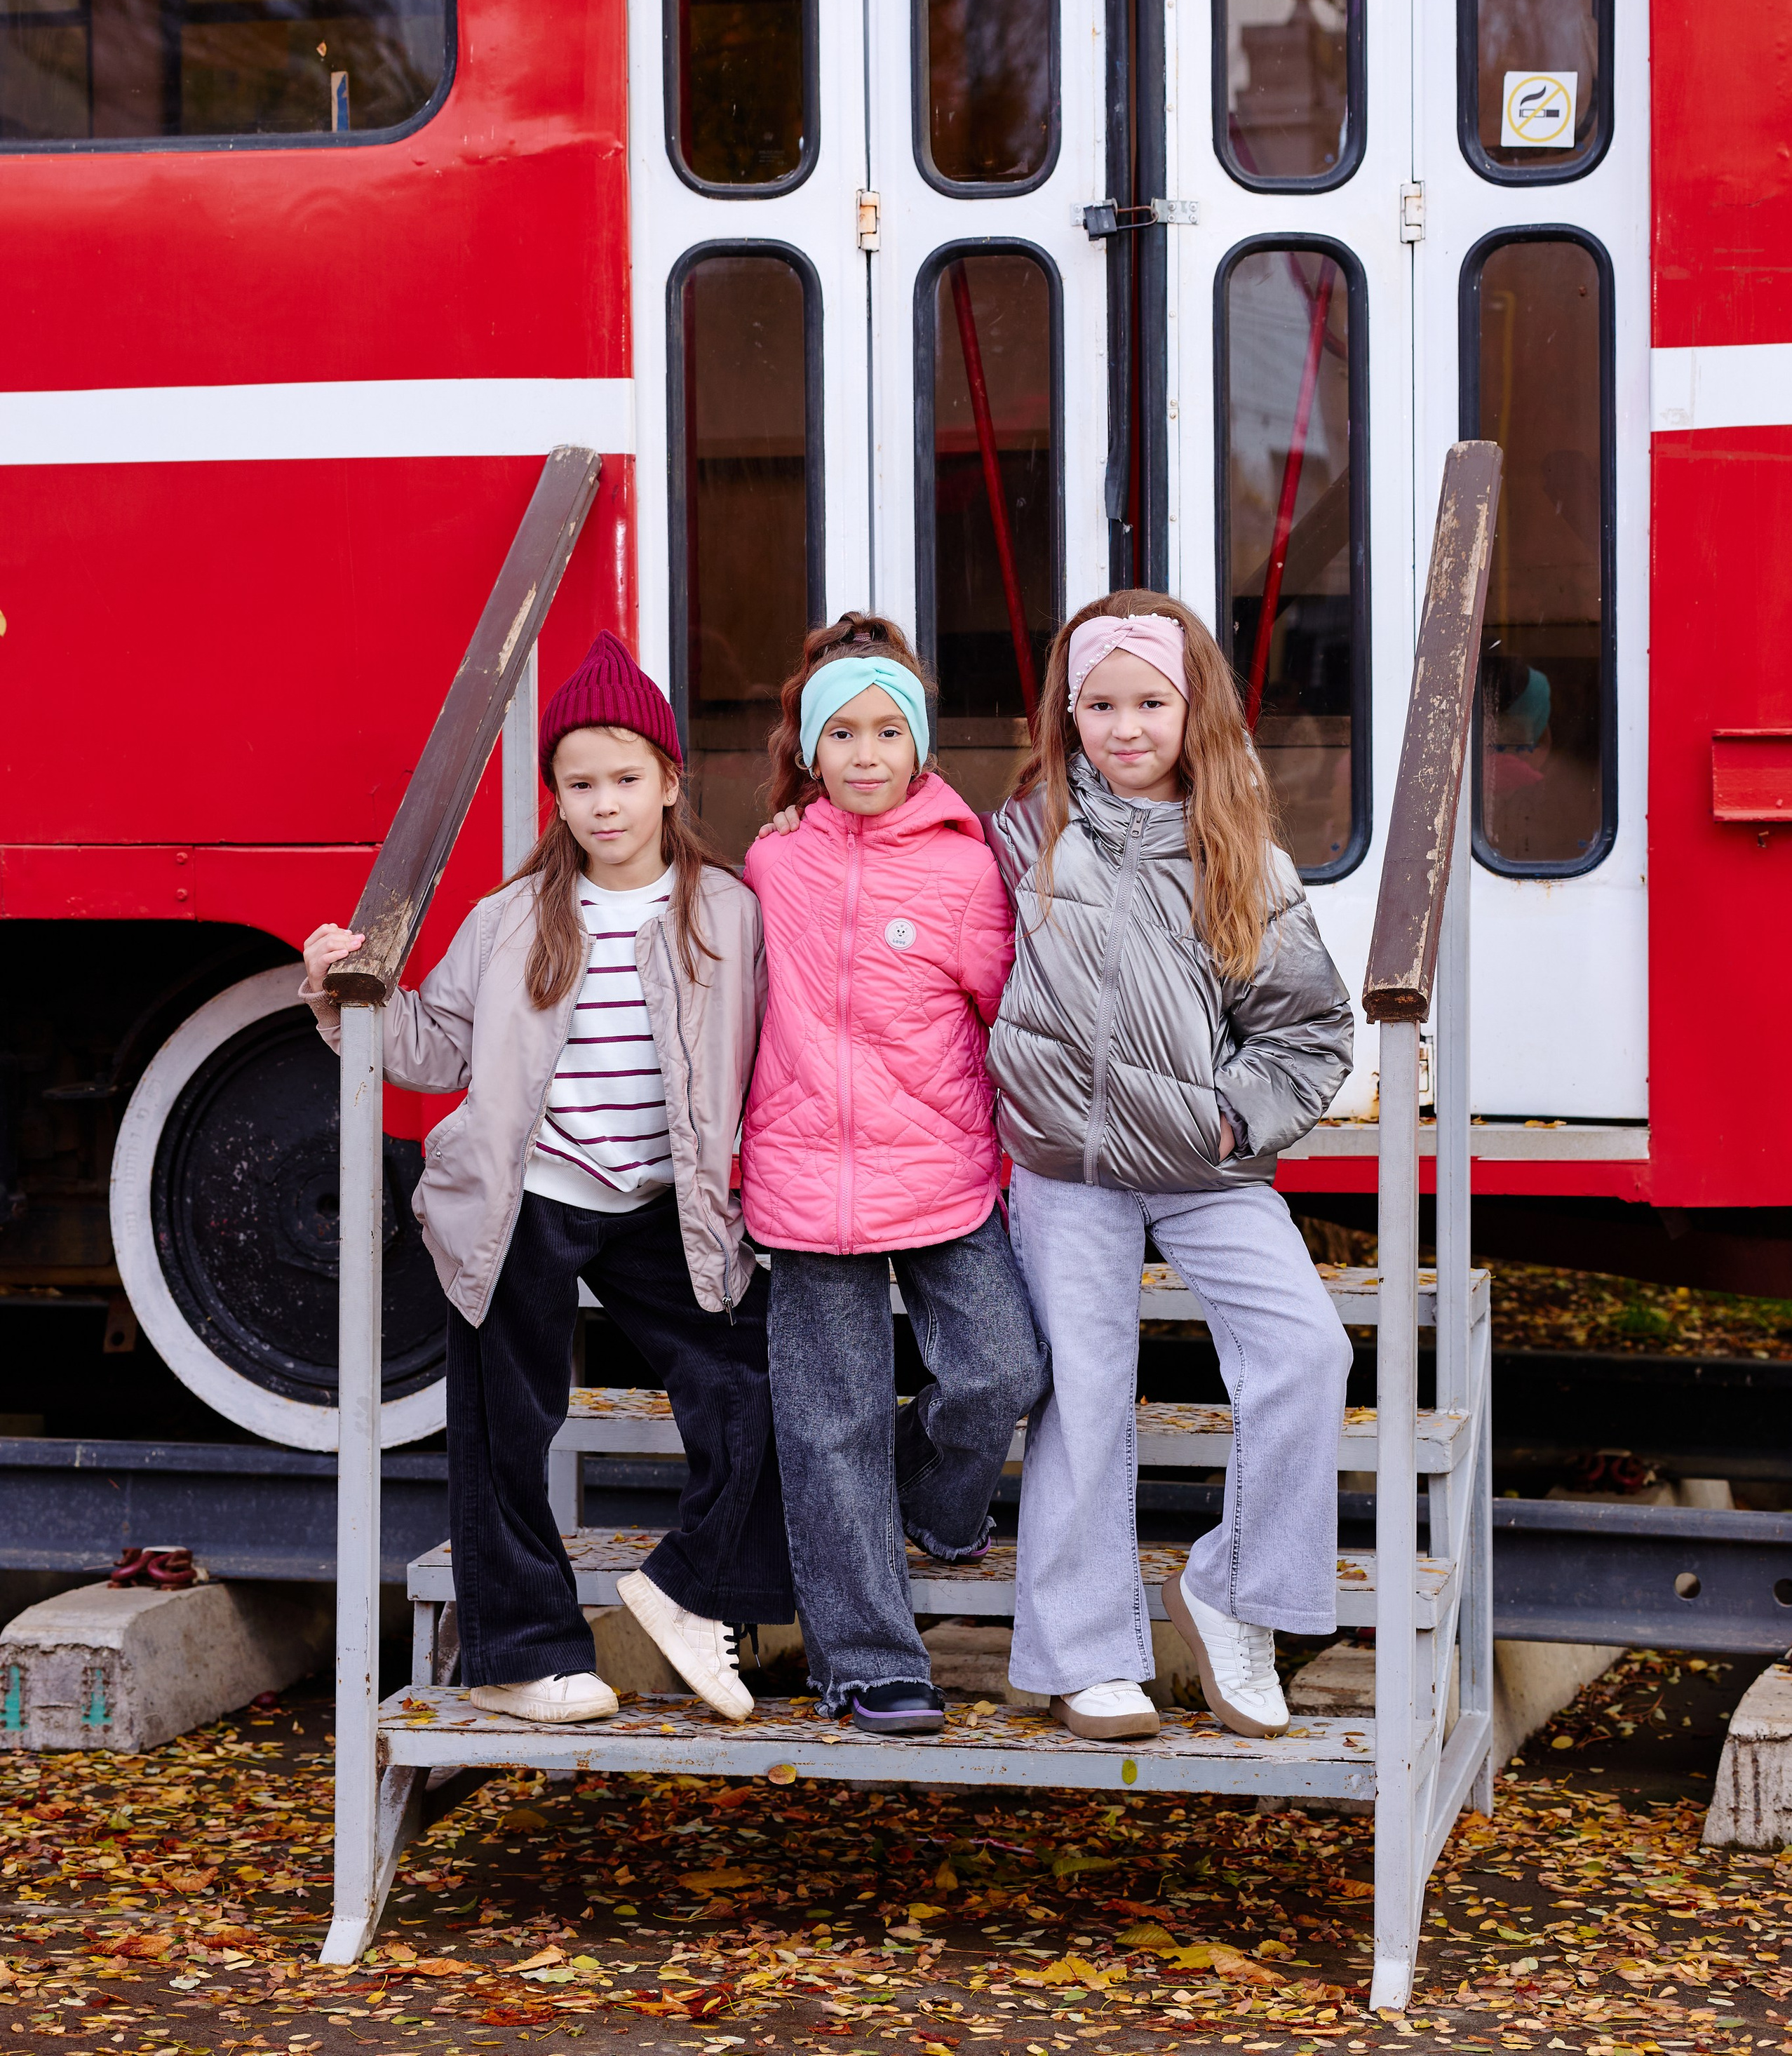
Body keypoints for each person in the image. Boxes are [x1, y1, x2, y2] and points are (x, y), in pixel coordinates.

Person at [300, 633, 791, 1728]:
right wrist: (345, 995)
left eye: (626, 779)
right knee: (505, 1423)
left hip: (667, 1202)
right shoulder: (512, 918)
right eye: (580, 784)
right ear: (554, 797)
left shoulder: (729, 911)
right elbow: (434, 1052)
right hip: (530, 1196)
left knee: (751, 1385)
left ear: (670, 782)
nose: (605, 805)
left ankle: (687, 1585)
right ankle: (523, 1654)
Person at [985, 594, 1355, 1745]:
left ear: (1194, 711)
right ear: (1068, 715)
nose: (1126, 727)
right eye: (1100, 705)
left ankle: (1235, 1591)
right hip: (1064, 1166)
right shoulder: (1022, 838)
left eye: (1151, 702)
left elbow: (1310, 1034)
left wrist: (1232, 1123)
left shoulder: (1241, 857)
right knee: (1083, 1391)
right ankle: (1084, 1655)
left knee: (1307, 1349)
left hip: (1201, 1164)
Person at [741, 612, 1047, 1737]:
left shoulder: (969, 868)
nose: (865, 755)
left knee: (1002, 1371)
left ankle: (935, 1501)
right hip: (803, 1187)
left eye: (887, 732)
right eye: (842, 734)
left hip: (944, 1173)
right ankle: (870, 1666)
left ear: (919, 744)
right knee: (832, 1431)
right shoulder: (773, 861)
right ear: (809, 750)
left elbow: (1011, 1014)